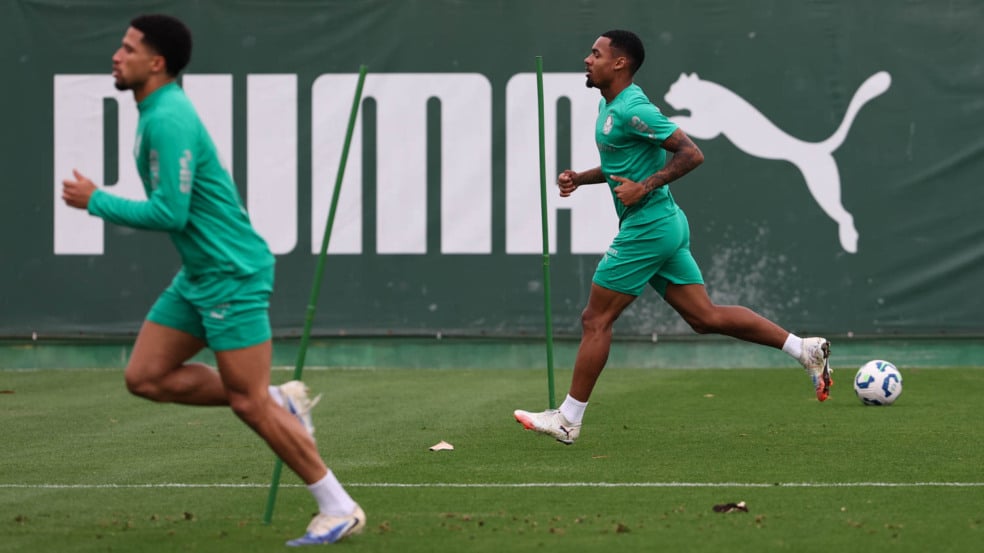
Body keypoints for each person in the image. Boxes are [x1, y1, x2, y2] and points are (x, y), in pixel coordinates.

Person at [61, 14, 363, 545]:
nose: (117, 55)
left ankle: (337, 506)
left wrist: (96, 201)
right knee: (146, 377)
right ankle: (280, 399)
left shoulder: (168, 117)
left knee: (249, 405)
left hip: (232, 273)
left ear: (156, 63)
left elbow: (171, 213)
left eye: (128, 48)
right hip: (201, 274)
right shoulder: (153, 110)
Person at [513, 30, 832, 445]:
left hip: (649, 224)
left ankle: (569, 419)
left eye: (596, 54)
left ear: (619, 63)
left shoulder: (632, 107)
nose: (587, 59)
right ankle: (802, 349)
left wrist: (644, 187)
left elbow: (691, 153)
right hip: (662, 222)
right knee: (705, 317)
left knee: (596, 319)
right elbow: (621, 164)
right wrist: (582, 178)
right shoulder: (609, 106)